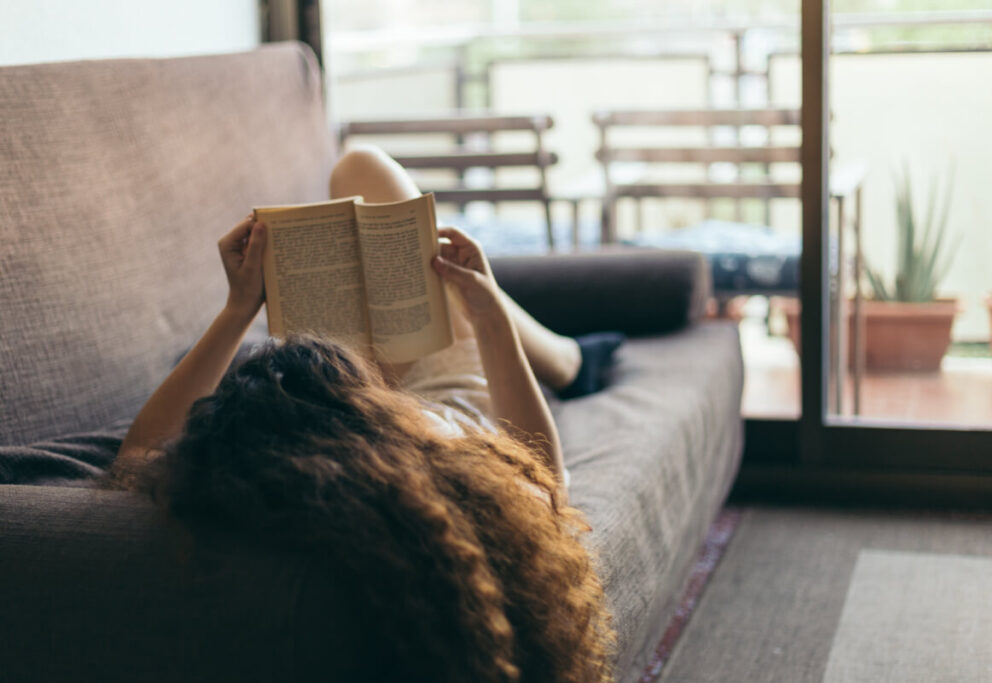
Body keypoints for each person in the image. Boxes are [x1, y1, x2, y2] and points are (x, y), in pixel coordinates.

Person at [111, 147, 618, 681]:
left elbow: (136, 457)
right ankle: (569, 360)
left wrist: (240, 309)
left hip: (354, 405)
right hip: (452, 383)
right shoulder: (454, 469)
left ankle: (562, 354)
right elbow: (548, 477)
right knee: (363, 170)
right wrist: (491, 321)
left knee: (358, 179)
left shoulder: (293, 467)